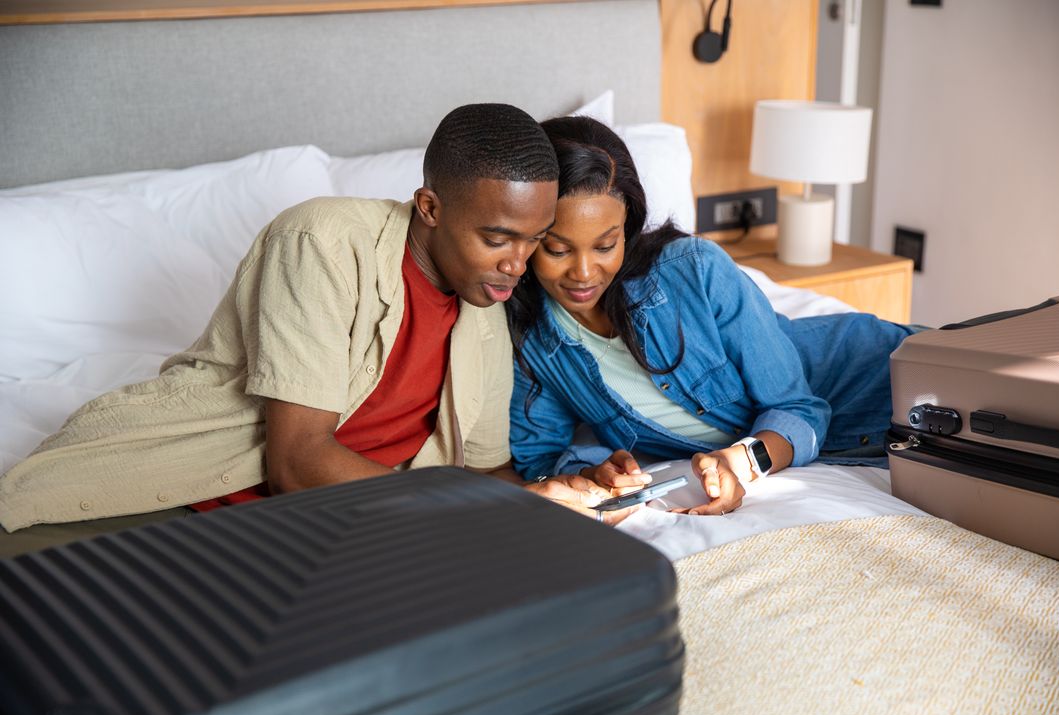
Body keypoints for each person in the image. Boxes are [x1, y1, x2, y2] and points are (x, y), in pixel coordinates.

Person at [0, 103, 619, 557]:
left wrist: (563, 495)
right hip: (176, 495)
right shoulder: (320, 241)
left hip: (332, 536)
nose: (517, 263)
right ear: (430, 208)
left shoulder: (486, 299)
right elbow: (297, 463)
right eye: (497, 238)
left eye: (534, 241)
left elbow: (484, 474)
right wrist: (486, 509)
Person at [506, 115, 918, 516]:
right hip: (868, 446)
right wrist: (592, 474)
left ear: (627, 231)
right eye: (557, 249)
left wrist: (742, 462)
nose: (582, 273)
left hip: (874, 373)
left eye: (605, 246)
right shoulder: (534, 339)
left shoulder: (694, 269)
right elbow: (540, 459)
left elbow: (801, 407)